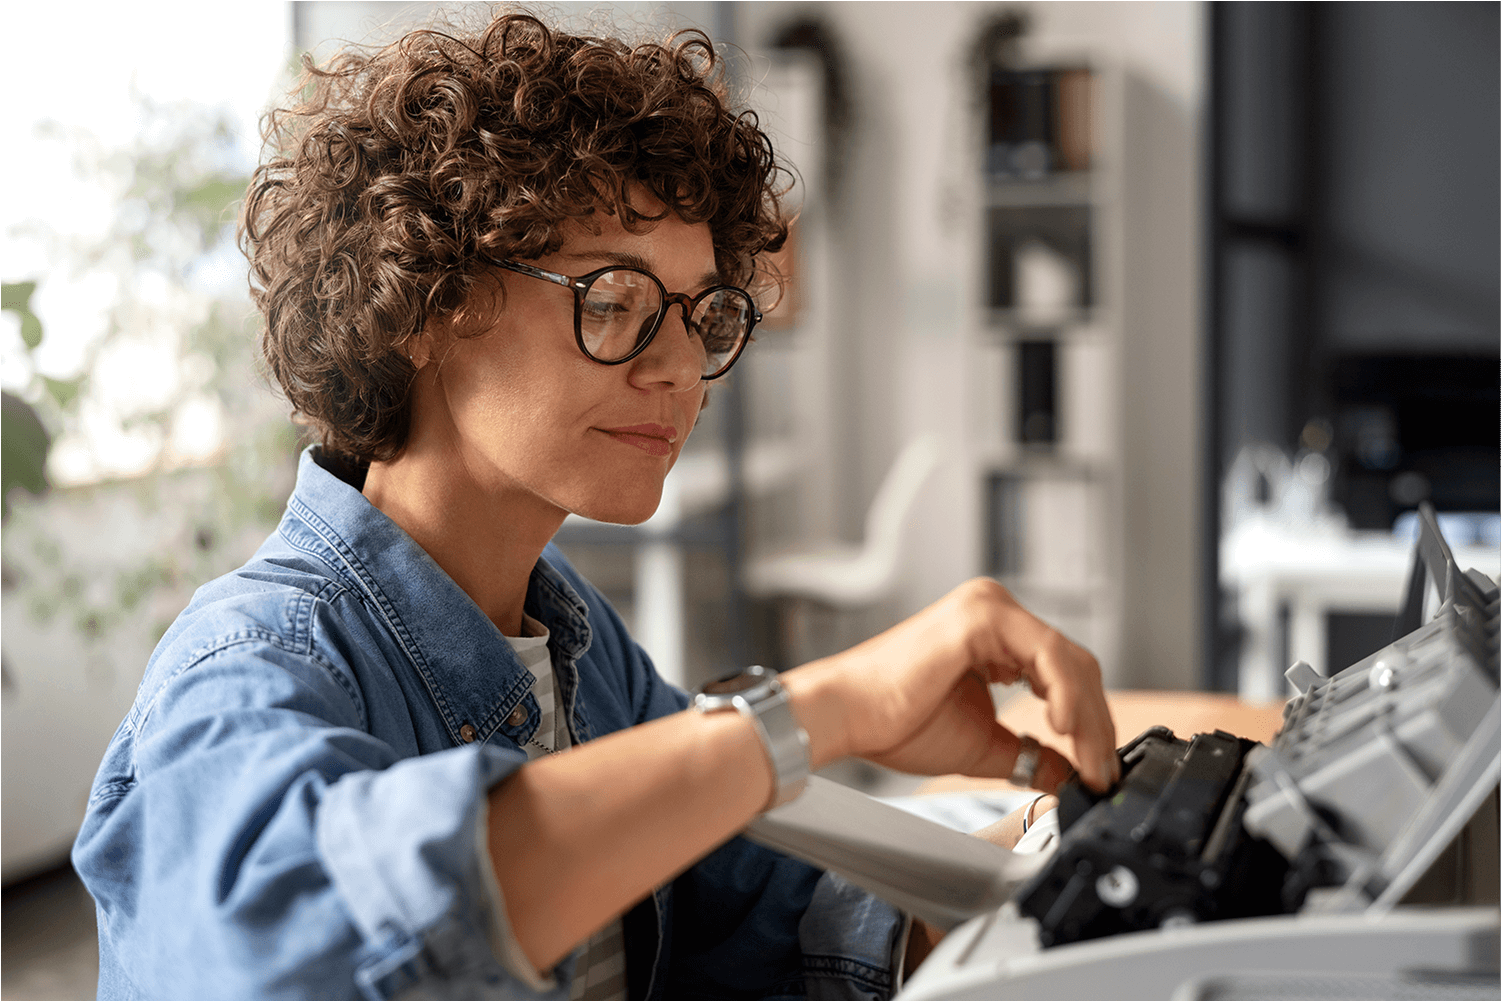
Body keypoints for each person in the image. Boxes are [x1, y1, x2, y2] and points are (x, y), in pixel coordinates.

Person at [72, 12, 1117, 999]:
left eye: (702, 314)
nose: (679, 371)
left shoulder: (571, 635)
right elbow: (315, 942)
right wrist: (821, 710)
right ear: (421, 306)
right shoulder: (246, 667)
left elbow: (766, 909)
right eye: (612, 301)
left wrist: (1067, 867)